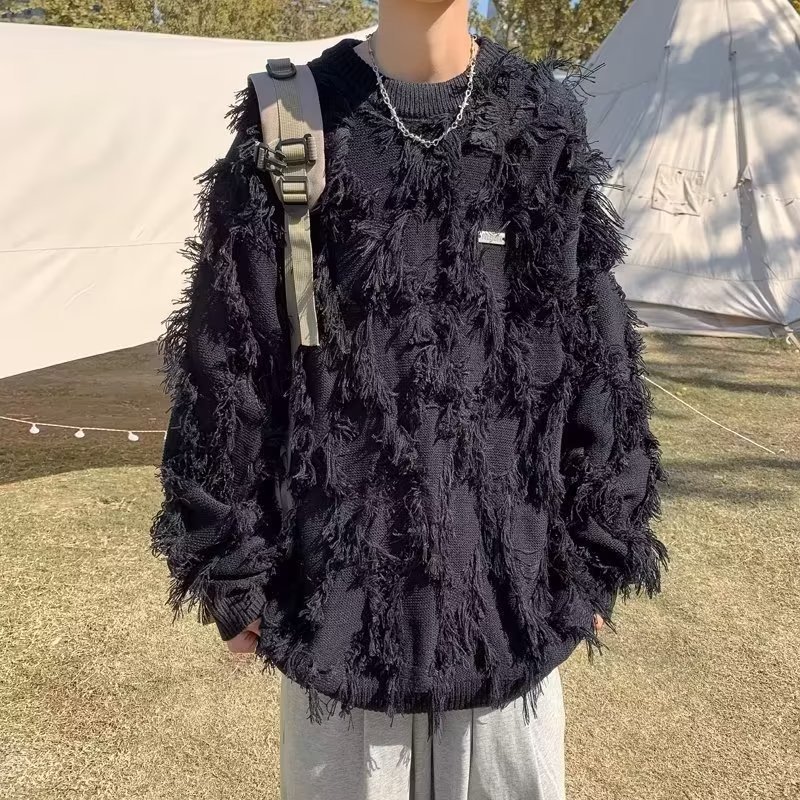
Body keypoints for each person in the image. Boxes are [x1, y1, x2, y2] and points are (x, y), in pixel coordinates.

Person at [150, 1, 669, 798]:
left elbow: (594, 353)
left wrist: (601, 544)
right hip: (335, 609)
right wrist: (229, 562)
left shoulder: (538, 123)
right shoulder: (292, 118)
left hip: (512, 607)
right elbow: (230, 356)